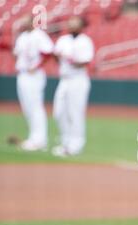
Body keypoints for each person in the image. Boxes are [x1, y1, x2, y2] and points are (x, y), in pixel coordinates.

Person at [52, 16, 94, 157]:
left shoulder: (85, 41)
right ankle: (66, 142)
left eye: (75, 24)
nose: (72, 26)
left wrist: (69, 58)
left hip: (78, 80)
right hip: (64, 80)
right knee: (59, 112)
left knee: (75, 113)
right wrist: (58, 56)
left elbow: (84, 62)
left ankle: (76, 144)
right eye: (70, 23)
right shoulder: (63, 40)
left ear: (81, 26)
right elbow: (56, 57)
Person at [13, 14, 54, 151]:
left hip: (34, 75)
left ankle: (40, 140)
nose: (23, 23)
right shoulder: (22, 37)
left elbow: (48, 52)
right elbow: (16, 54)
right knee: (27, 108)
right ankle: (33, 138)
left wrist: (36, 66)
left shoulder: (39, 35)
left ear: (32, 22)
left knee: (35, 107)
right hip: (23, 74)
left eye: (26, 21)